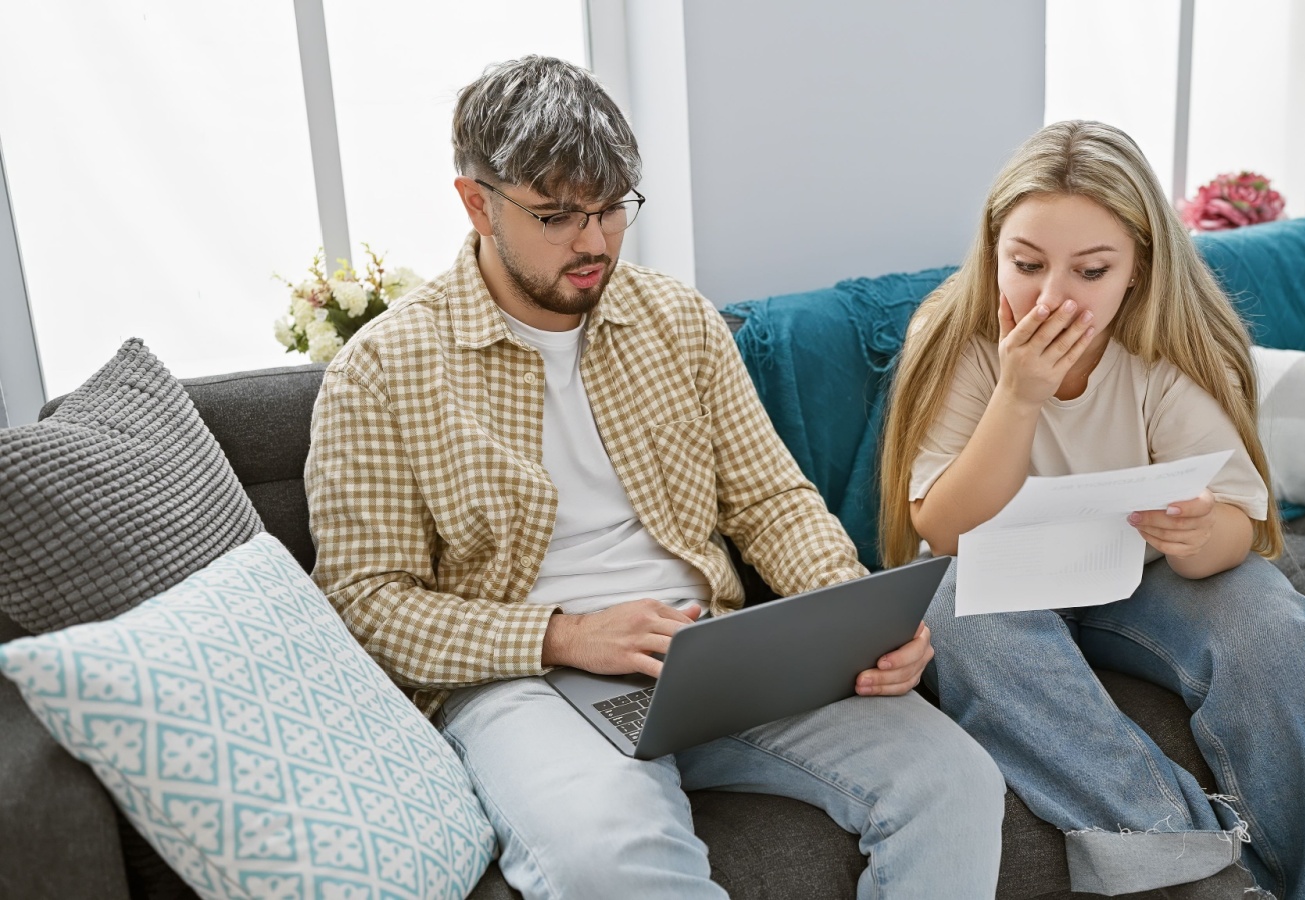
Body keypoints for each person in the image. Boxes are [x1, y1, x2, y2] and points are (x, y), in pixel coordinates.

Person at [304, 55, 1005, 900]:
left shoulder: (677, 320)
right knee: (607, 864)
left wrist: (854, 618)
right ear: (476, 203)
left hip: (714, 654)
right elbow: (365, 603)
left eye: (611, 210)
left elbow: (770, 499)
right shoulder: (380, 371)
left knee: (956, 783)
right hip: (524, 681)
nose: (594, 241)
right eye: (558, 215)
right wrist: (567, 636)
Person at [878, 120, 1305, 899]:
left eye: (1091, 271)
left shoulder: (1174, 343)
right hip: (1002, 577)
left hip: (1141, 575)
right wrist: (1019, 395)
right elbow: (944, 527)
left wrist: (1201, 532)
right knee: (953, 604)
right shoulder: (956, 331)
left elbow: (1236, 526)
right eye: (1026, 265)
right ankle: (1206, 882)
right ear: (993, 250)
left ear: (1137, 267)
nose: (1052, 297)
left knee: (1282, 633)